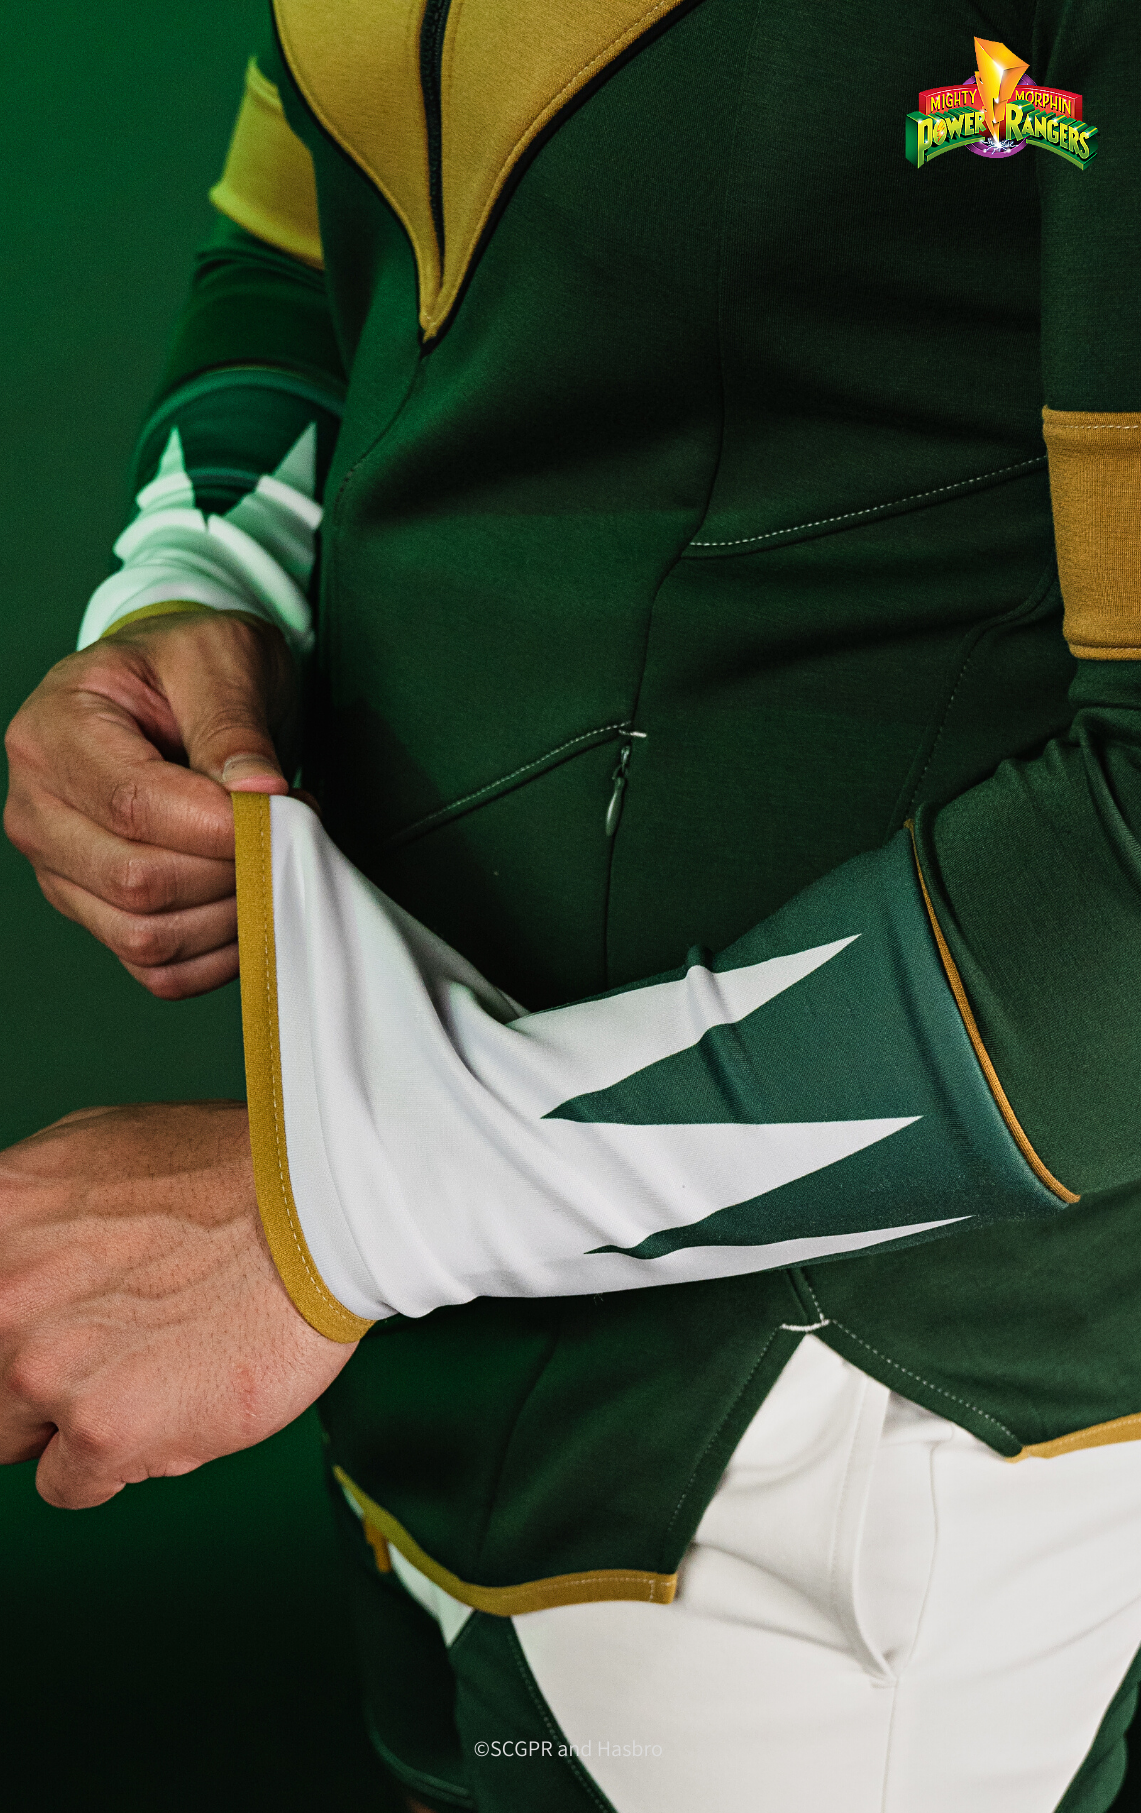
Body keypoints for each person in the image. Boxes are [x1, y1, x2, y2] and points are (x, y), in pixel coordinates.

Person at [3, 3, 1140, 1807]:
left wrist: (352, 1210)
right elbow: (309, 230)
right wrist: (196, 571)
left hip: (863, 1411)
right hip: (393, 1314)